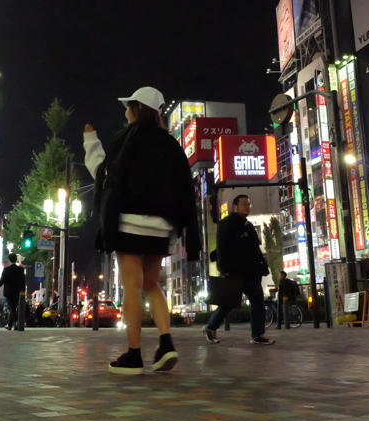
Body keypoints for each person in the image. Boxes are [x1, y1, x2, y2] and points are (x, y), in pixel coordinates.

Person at [85, 86, 201, 375]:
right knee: (152, 284)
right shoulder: (172, 144)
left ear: (136, 108)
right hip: (161, 226)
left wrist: (90, 142)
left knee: (132, 287)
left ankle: (134, 355)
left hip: (129, 224)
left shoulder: (126, 139)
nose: (125, 112)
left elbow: (104, 175)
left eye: (128, 107)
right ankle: (165, 342)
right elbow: (185, 188)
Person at [204, 195, 275, 347]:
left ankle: (258, 335)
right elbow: (222, 248)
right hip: (235, 272)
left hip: (252, 272)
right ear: (235, 206)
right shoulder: (226, 223)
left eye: (249, 204)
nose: (247, 207)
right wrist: (224, 269)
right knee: (228, 303)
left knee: (258, 303)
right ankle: (211, 327)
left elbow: (255, 249)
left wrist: (263, 265)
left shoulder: (248, 225)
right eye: (244, 204)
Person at [0, 254, 25, 330]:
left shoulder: (6, 270)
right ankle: (10, 324)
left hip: (9, 291)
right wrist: (23, 291)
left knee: (11, 307)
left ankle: (16, 322)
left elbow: (2, 280)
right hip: (18, 291)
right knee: (14, 307)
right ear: (16, 259)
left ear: (9, 260)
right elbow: (23, 281)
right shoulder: (20, 269)